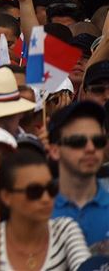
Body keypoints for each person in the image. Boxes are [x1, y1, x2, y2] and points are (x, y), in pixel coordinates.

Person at [0, 150, 90, 270]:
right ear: (6, 196)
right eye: (34, 191)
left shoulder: (65, 230)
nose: (46, 199)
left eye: (51, 189)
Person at [48, 101, 109, 247]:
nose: (90, 148)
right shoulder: (33, 211)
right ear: (55, 150)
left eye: (98, 141)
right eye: (78, 141)